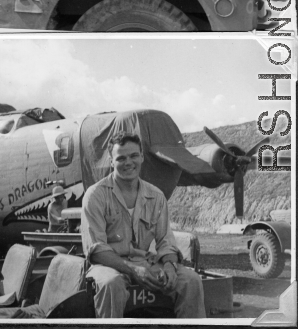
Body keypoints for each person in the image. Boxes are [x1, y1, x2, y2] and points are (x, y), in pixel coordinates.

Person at [81, 133, 205, 319]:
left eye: (133, 156)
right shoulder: (95, 196)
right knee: (111, 284)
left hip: (146, 263)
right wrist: (133, 270)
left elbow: (165, 241)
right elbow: (96, 250)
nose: (128, 162)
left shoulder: (156, 196)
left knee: (190, 280)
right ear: (111, 161)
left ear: (142, 156)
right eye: (121, 158)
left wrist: (170, 266)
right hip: (109, 265)